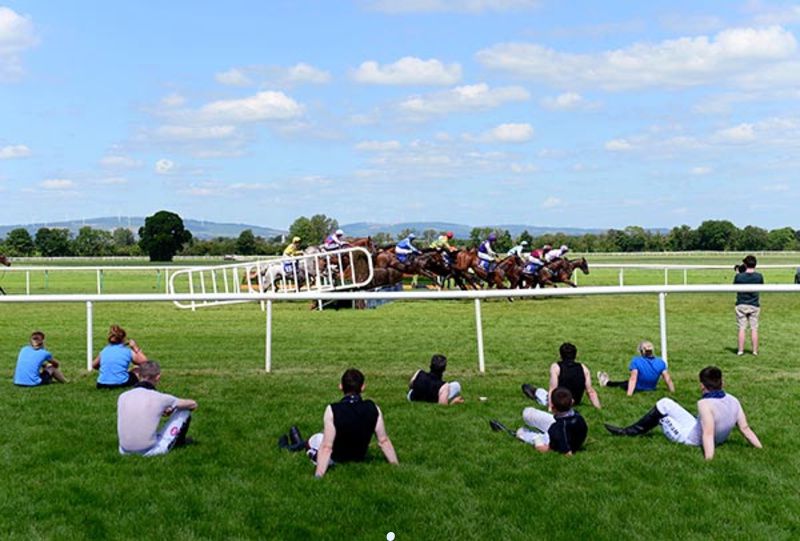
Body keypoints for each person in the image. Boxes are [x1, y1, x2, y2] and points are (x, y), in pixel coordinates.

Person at [605, 366, 762, 461]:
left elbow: (707, 434)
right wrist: (760, 448)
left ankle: (629, 432)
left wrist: (709, 460)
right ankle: (631, 430)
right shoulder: (733, 399)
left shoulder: (704, 404)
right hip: (710, 435)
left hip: (691, 439)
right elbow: (745, 428)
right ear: (723, 383)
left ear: (702, 386)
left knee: (662, 415)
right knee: (665, 402)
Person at [304, 368, 399, 478]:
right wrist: (395, 465)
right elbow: (383, 441)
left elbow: (327, 447)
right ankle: (296, 442)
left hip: (337, 458)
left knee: (316, 438)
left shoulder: (333, 410)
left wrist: (318, 475)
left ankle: (304, 448)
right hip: (359, 456)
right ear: (363, 387)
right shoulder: (373, 408)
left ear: (341, 386)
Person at [117, 361, 197, 456]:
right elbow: (193, 404)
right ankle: (179, 442)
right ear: (158, 377)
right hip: (150, 450)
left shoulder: (123, 396)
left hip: (124, 450)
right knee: (184, 410)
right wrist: (173, 407)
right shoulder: (161, 398)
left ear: (139, 375)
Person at [521, 342, 601, 410]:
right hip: (575, 401)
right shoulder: (583, 368)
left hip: (559, 402)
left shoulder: (556, 367)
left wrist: (551, 407)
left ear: (560, 355)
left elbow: (553, 389)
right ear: (575, 355)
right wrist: (598, 408)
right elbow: (590, 391)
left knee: (539, 392)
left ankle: (535, 392)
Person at [514, 387, 588, 455]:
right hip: (564, 428)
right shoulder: (578, 416)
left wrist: (540, 446)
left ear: (553, 408)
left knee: (524, 433)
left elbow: (567, 452)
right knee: (527, 413)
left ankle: (526, 434)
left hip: (554, 439)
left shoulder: (558, 429)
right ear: (572, 402)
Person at [597, 340, 675, 396]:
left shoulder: (636, 361)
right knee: (625, 382)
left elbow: (633, 378)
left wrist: (629, 394)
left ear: (641, 351)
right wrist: (672, 391)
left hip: (637, 388)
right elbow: (668, 379)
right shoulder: (660, 362)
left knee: (622, 383)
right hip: (651, 388)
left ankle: (606, 382)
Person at [92, 325, 148, 389]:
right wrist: (135, 347)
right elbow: (145, 363)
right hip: (121, 383)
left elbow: (94, 365)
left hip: (101, 384)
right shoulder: (127, 351)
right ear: (123, 339)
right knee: (137, 369)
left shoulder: (104, 350)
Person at [734, 255, 764, 356]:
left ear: (745, 264)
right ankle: (755, 351)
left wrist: (738, 273)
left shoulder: (739, 276)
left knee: (742, 328)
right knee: (754, 328)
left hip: (741, 304)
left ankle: (740, 350)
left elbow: (735, 286)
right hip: (754, 304)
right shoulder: (759, 276)